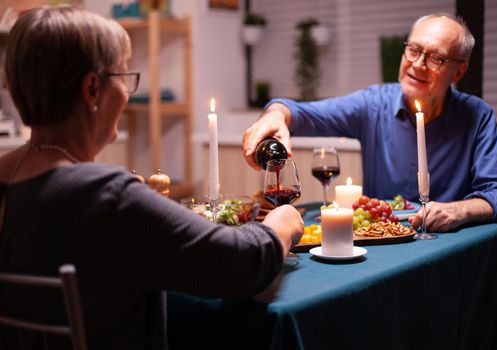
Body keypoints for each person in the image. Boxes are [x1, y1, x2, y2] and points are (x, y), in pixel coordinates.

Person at [0, 6, 303, 350]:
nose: (127, 93)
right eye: (125, 77)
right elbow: (242, 264)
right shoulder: (108, 196)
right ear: (92, 89)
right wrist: (281, 223)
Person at [243, 12, 497, 232]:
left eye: (435, 58)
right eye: (413, 49)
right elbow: (303, 113)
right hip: (382, 243)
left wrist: (458, 210)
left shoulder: (477, 116)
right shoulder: (372, 104)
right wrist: (276, 113)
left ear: (458, 71)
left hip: (447, 249)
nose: (418, 64)